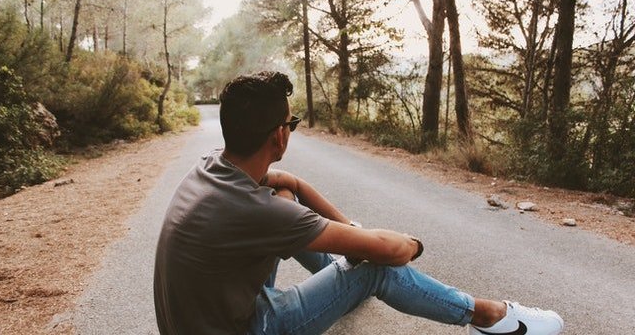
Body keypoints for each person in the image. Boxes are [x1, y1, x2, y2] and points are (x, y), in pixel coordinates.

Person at [153, 71, 564, 335]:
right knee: (374, 273)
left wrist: (351, 233)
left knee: (287, 200)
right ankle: (489, 316)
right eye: (291, 124)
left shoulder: (215, 167)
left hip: (203, 319)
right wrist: (405, 244)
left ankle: (339, 277)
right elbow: (392, 252)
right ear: (279, 135)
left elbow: (289, 182)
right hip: (246, 327)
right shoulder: (257, 211)